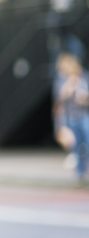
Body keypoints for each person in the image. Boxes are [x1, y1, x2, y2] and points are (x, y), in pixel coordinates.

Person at [54, 52, 89, 180]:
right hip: (71, 117)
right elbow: (61, 97)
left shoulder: (83, 77)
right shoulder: (62, 80)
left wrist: (83, 97)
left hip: (83, 115)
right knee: (77, 146)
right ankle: (80, 173)